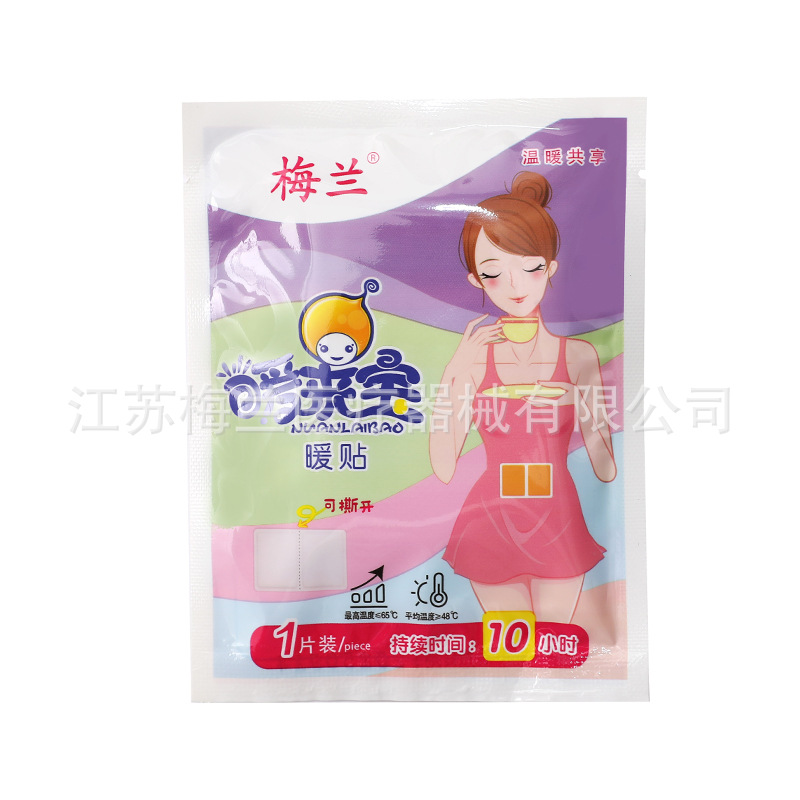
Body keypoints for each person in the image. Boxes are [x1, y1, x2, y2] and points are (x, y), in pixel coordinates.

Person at [429, 172, 616, 624]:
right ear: (477, 281)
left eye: (529, 267)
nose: (515, 285)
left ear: (550, 268)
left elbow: (606, 468)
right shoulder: (475, 359)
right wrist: (456, 369)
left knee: (553, 641)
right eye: (494, 273)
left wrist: (582, 405)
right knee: (507, 647)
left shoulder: (578, 356)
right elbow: (443, 464)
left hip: (558, 515)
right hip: (491, 518)